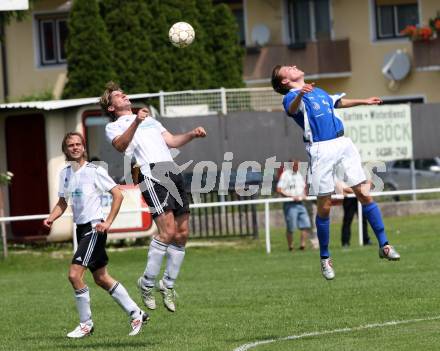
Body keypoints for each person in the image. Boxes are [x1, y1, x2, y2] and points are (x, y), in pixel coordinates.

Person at [271, 65, 400, 280]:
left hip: (343, 143)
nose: (294, 66)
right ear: (285, 81)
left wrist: (364, 101)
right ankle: (325, 258)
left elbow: (337, 102)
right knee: (325, 205)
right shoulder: (292, 96)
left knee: (364, 193)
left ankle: (384, 245)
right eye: (288, 68)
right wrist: (300, 95)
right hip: (321, 148)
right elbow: (292, 110)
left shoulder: (318, 91)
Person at [100, 82, 207, 312]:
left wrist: (191, 134)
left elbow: (171, 141)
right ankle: (146, 283)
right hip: (150, 173)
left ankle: (167, 284)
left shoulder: (151, 120)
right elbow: (121, 146)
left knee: (182, 233)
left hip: (172, 170)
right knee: (166, 232)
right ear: (111, 107)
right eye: (118, 96)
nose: (124, 95)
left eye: (123, 93)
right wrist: (136, 121)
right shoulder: (114, 126)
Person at [43, 132, 148, 338]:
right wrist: (51, 218)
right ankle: (137, 313)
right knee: (101, 278)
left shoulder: (94, 171)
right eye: (71, 145)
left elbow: (118, 193)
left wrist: (107, 222)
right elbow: (63, 203)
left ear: (84, 147)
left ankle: (86, 324)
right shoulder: (65, 173)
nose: (75, 147)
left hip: (94, 229)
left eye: (78, 144)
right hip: (81, 229)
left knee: (74, 275)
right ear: (65, 150)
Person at [276, 159, 311, 251]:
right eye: (296, 165)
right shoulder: (285, 175)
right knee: (291, 227)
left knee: (306, 225)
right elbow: (279, 190)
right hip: (290, 204)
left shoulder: (299, 175)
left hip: (300, 203)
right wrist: (291, 196)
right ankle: (290, 247)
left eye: (299, 165)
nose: (298, 167)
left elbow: (303, 188)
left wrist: (304, 194)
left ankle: (302, 246)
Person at [335, 180, 371, 247]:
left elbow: (367, 182)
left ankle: (366, 240)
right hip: (349, 198)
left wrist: (363, 190)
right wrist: (358, 191)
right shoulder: (343, 173)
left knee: (363, 219)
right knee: (347, 220)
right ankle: (345, 242)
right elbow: (344, 187)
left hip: (360, 196)